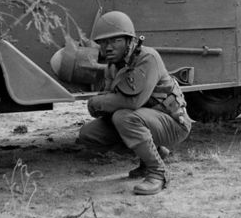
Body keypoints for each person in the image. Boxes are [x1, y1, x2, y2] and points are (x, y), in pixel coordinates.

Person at [78, 11, 192, 195]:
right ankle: (152, 154)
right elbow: (109, 101)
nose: (108, 47)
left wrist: (97, 103)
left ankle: (158, 173)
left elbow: (133, 102)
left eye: (115, 41)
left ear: (129, 40)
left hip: (173, 123)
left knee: (124, 117)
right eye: (104, 42)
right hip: (146, 121)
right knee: (89, 134)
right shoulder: (113, 66)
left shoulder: (148, 58)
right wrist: (101, 104)